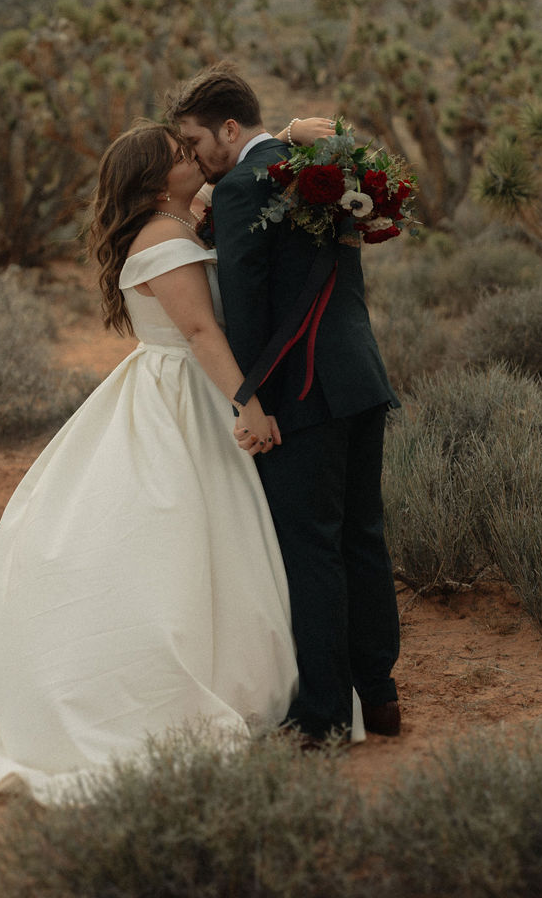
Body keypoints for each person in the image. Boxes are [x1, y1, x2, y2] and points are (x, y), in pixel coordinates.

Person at [0, 115, 330, 802]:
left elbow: (238, 163)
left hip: (169, 388)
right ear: (156, 179)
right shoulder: (164, 238)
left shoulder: (176, 221)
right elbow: (197, 331)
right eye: (179, 154)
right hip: (183, 394)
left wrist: (280, 133)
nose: (194, 156)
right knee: (169, 539)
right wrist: (247, 403)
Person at [167, 65, 402, 745]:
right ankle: (379, 695)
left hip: (300, 393)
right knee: (363, 538)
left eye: (195, 140)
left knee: (311, 551)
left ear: (230, 129)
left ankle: (326, 714)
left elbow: (244, 311)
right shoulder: (320, 164)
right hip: (359, 378)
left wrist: (247, 398)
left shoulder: (242, 187)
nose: (193, 156)